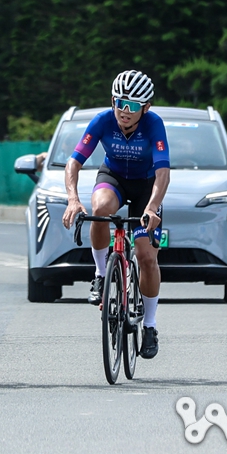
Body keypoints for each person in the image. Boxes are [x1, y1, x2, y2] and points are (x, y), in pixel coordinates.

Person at [61, 70, 169, 360]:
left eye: (132, 105)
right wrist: (73, 199)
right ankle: (99, 273)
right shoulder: (103, 121)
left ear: (145, 107)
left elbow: (162, 172)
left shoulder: (154, 125)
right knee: (100, 209)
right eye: (119, 102)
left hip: (147, 186)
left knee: (147, 257)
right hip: (115, 178)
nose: (124, 110)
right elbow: (73, 163)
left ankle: (150, 325)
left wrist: (152, 207)